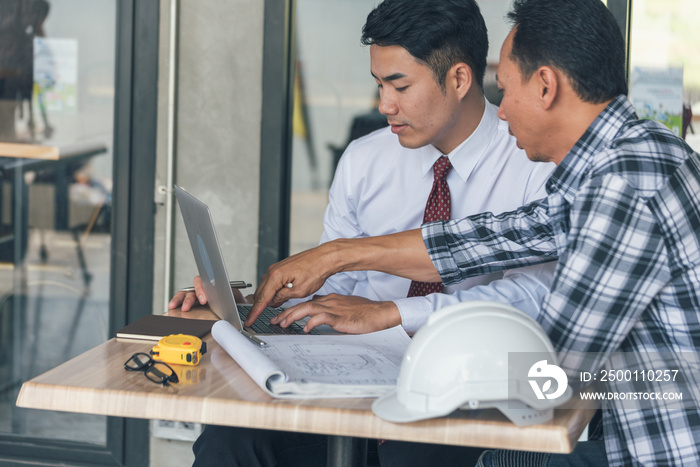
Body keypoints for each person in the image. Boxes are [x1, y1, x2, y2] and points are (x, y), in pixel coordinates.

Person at [251, 0, 700, 465]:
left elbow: (556, 373)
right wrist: (336, 256)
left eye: (505, 90)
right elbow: (492, 238)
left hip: (659, 451)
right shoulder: (638, 153)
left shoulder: (622, 185)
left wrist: (424, 369)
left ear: (546, 86)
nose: (501, 113)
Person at [183, 0, 558, 465]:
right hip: (354, 382)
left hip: (467, 393)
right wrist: (245, 309)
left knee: (410, 451)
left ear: (459, 80)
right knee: (232, 436)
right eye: (379, 85)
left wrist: (395, 313)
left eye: (399, 85)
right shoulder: (366, 159)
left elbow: (535, 300)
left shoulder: (532, 162)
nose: (384, 105)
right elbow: (334, 290)